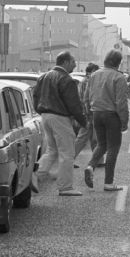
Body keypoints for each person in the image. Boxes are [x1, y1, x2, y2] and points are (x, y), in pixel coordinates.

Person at [33, 51, 87, 196]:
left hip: (45, 116)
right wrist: (84, 122)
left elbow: (35, 97)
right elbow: (74, 105)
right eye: (73, 62)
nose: (75, 65)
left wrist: (41, 112)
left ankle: (35, 176)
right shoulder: (66, 79)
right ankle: (65, 187)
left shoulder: (44, 76)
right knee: (67, 152)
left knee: (52, 150)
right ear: (65, 62)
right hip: (60, 117)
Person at [84, 50, 130, 191]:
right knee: (113, 148)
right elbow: (121, 102)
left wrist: (89, 113)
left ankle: (90, 166)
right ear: (118, 62)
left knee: (101, 144)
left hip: (96, 113)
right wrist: (124, 121)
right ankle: (108, 182)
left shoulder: (94, 75)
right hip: (112, 116)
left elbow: (86, 97)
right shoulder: (119, 77)